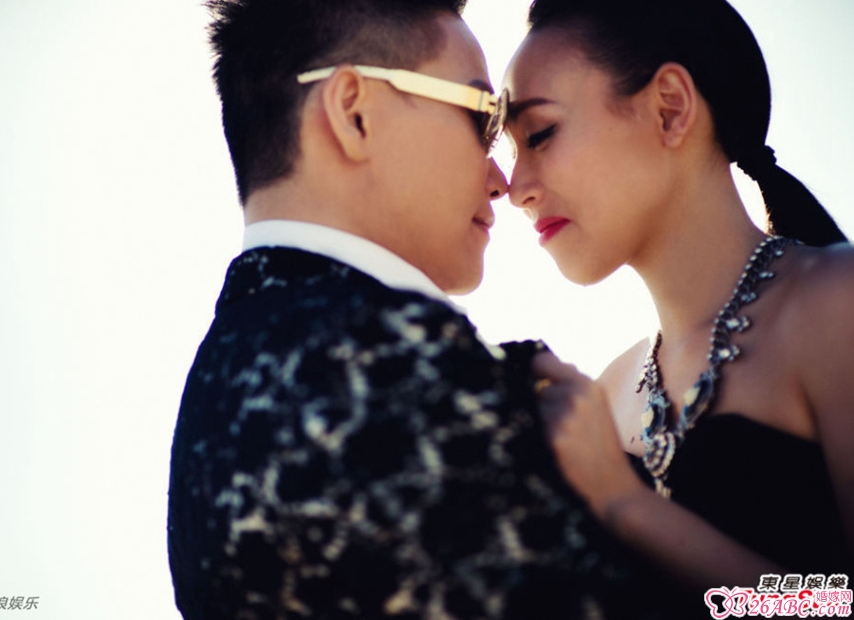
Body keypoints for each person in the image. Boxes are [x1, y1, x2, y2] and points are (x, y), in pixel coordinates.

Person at [166, 1, 647, 618]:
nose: (502, 180)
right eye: (482, 119)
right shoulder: (390, 357)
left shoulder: (214, 391)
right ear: (355, 114)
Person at [504, 0, 854, 612]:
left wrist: (627, 505)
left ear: (670, 108)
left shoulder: (835, 305)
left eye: (539, 135)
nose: (516, 189)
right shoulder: (609, 392)